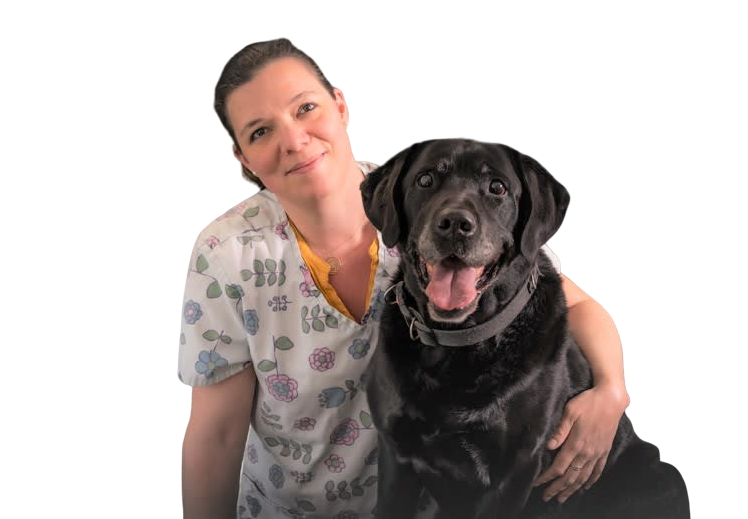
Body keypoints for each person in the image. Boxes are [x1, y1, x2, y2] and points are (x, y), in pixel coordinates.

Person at [179, 37, 631, 519]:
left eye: (305, 108)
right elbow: (218, 435)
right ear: (242, 158)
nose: (293, 140)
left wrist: (612, 391)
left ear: (340, 105)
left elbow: (574, 303)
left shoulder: (423, 195)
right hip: (290, 511)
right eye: (260, 131)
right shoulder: (227, 254)